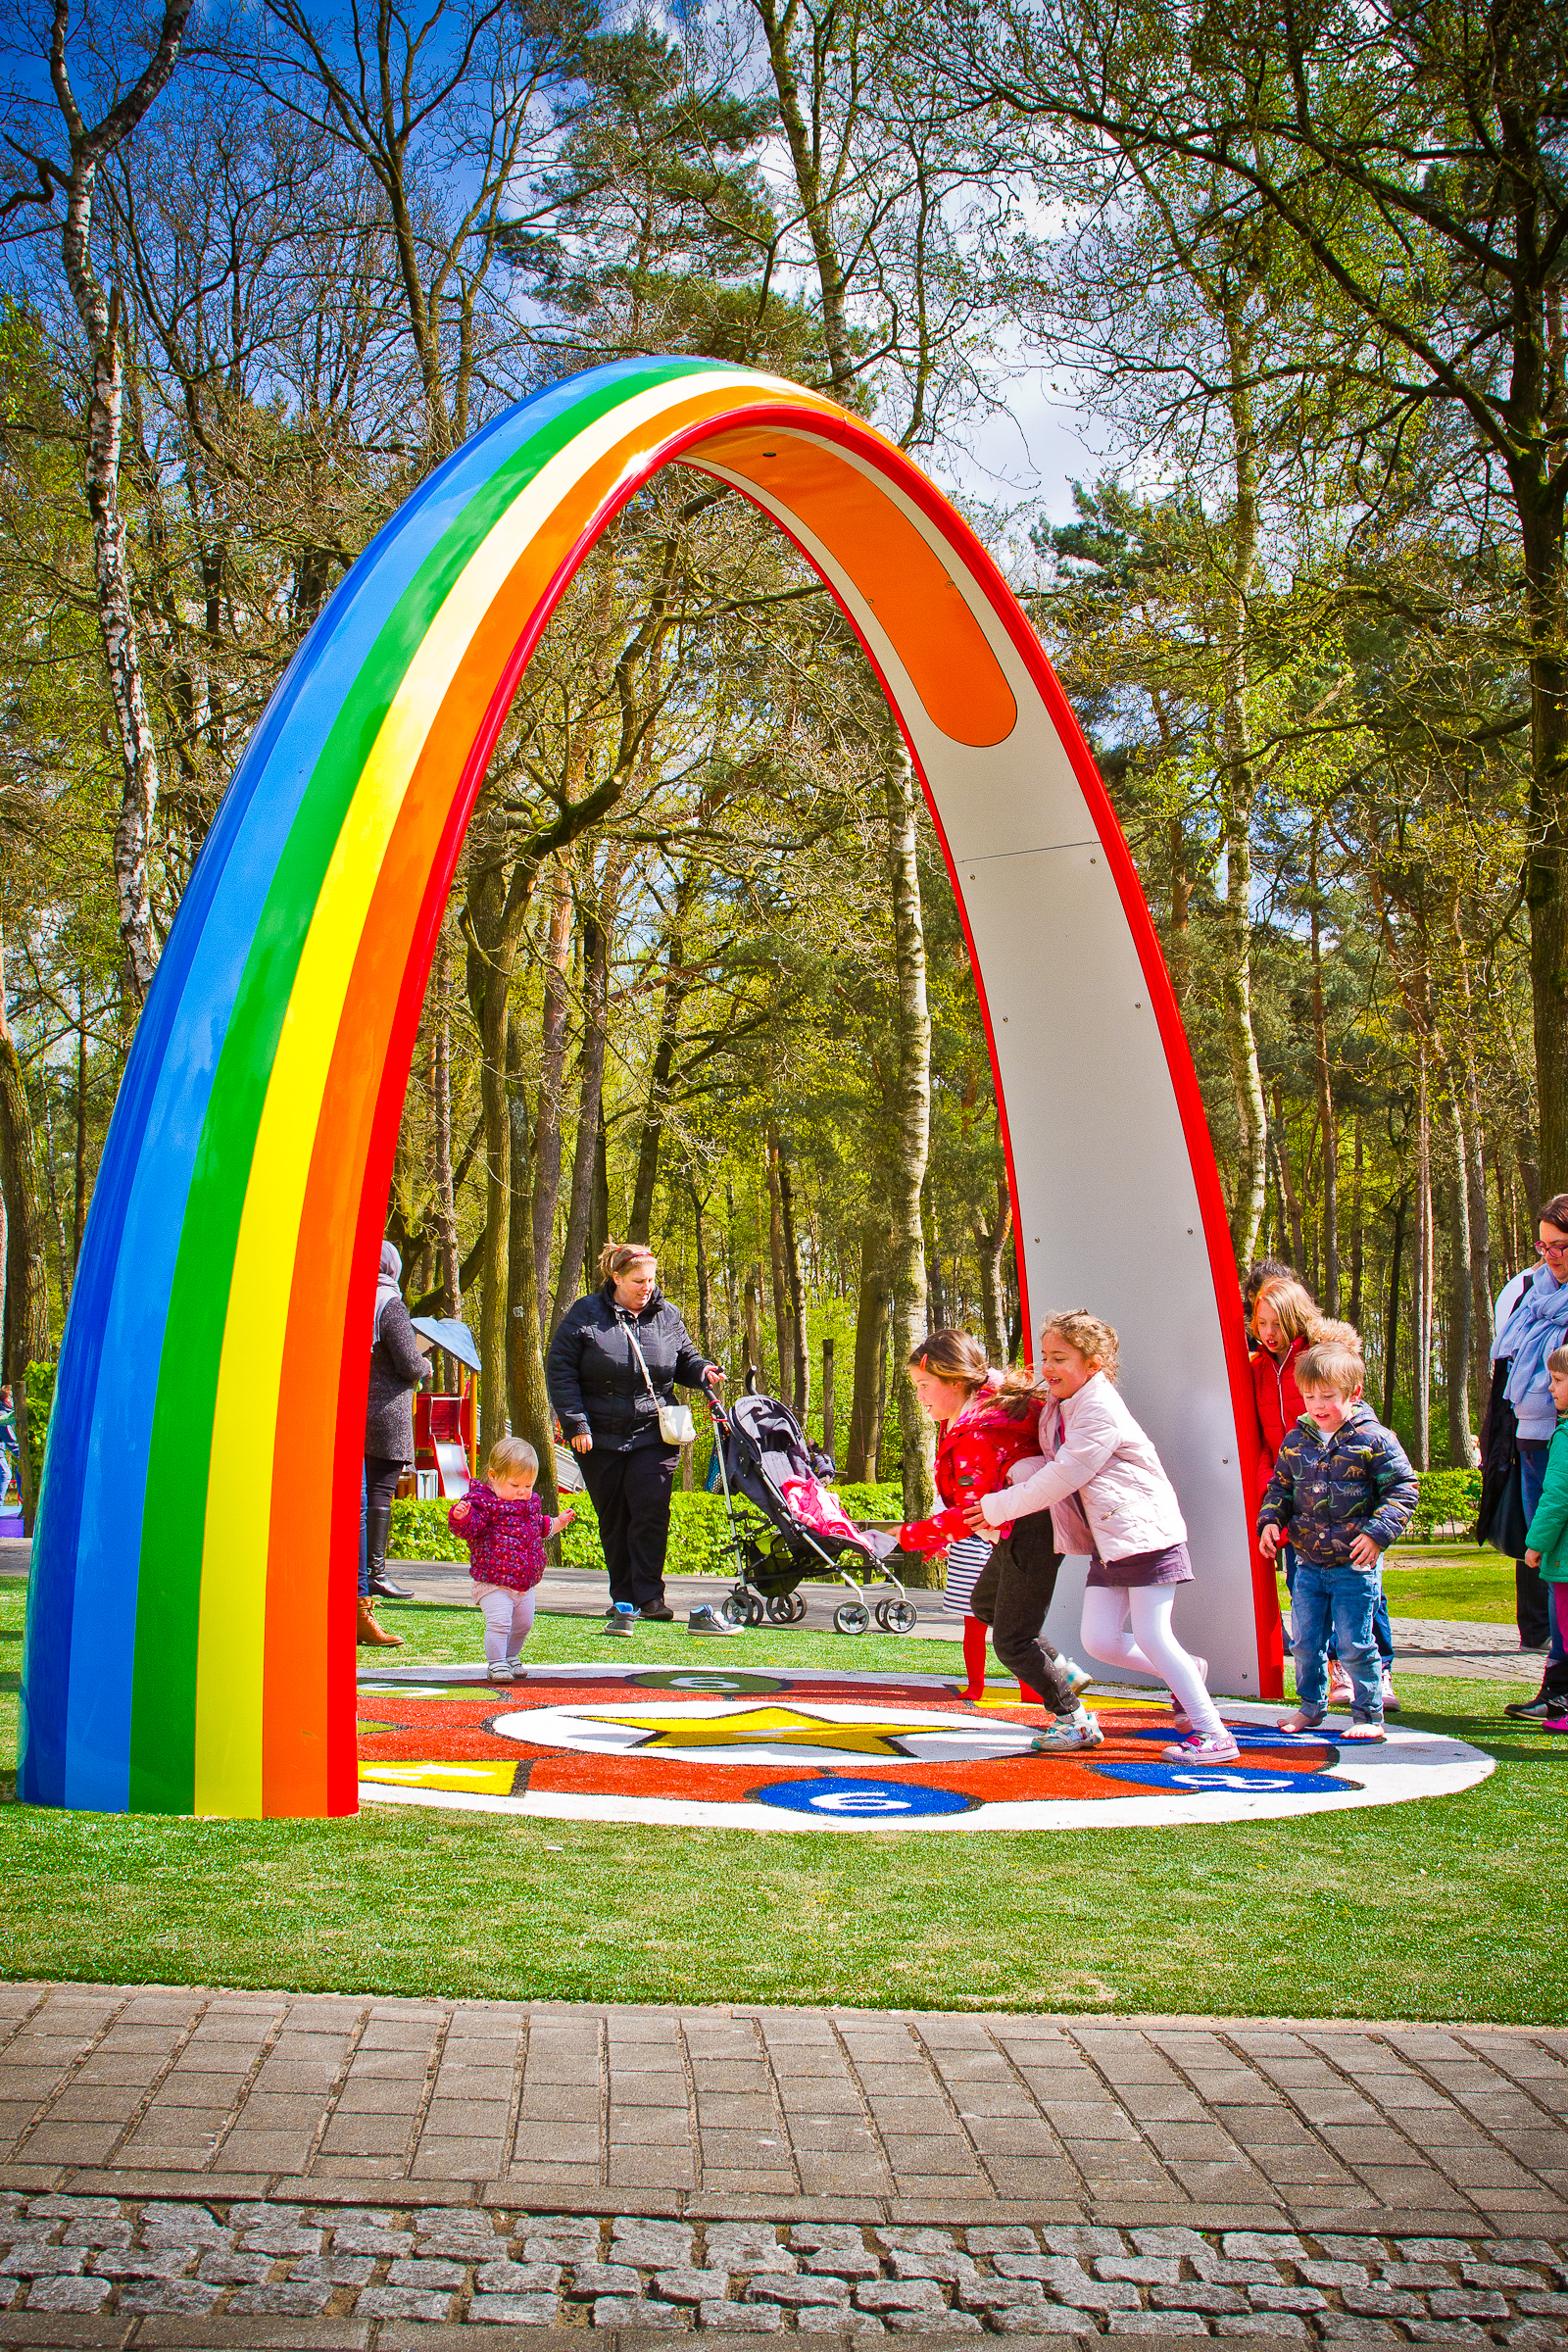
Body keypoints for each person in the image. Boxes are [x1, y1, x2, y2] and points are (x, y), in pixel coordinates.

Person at [971, 1309, 1233, 1762]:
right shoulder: (1061, 1397)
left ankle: (1214, 1733)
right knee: (1100, 1642)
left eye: (1060, 1358)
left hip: (1144, 1533)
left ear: (1093, 1365)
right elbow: (1008, 1384)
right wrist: (967, 1374)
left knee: (1152, 1634)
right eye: (1044, 1356)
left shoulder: (1099, 1408)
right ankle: (1188, 1672)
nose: (1047, 1368)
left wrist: (996, 1507)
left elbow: (1064, 1475)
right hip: (1110, 1539)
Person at [891, 1330, 1090, 1722]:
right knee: (983, 1603)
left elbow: (972, 1509)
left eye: (924, 1385)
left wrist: (912, 1536)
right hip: (1019, 1527)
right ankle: (1063, 1671)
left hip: (1032, 1530)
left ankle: (1074, 1718)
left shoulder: (982, 1429)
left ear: (956, 1380)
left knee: (1013, 1641)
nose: (920, 1396)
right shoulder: (979, 1411)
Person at [547, 1240, 722, 1625]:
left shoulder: (667, 1314)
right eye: (639, 1280)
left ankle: (651, 1598)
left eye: (651, 1280)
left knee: (651, 1512)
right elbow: (560, 1369)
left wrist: (702, 1370)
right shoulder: (586, 1314)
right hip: (598, 1435)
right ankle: (622, 1598)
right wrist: (576, 1423)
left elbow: (685, 1360)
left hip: (652, 1432)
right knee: (615, 1518)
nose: (647, 1287)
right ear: (616, 1278)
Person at [1258, 1336, 1418, 1741]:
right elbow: (1280, 1489)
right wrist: (1270, 1522)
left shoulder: (1374, 1440)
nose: (1317, 1405)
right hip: (1309, 1564)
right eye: (1309, 1395)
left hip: (1355, 1566)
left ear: (1354, 1393)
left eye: (1327, 1396)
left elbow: (1403, 1489)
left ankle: (1368, 1715)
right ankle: (1310, 1708)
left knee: (1354, 1645)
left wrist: (1377, 1535)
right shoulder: (1296, 1441)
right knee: (1307, 1645)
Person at [1495, 1196, 1568, 1721]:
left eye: (1562, 1247)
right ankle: (1557, 1681)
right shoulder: (1532, 1291)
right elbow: (1507, 1364)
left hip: (1561, 1435)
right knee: (1551, 1570)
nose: (1551, 1257)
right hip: (1532, 1432)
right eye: (1544, 1245)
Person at [450, 1436, 576, 1683]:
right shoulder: (484, 1503)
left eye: (528, 1486)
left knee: (523, 1624)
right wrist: (461, 1518)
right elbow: (470, 1529)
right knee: (499, 1622)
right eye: (515, 1485)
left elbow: (540, 1526)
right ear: (493, 1476)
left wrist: (558, 1522)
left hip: (524, 1582)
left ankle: (511, 1656)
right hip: (492, 1581)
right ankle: (496, 1663)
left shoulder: (530, 1505)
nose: (522, 1492)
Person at [364, 1239, 433, 1648]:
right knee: (382, 1494)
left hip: (355, 1408)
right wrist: (425, 1362)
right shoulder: (389, 1304)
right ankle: (377, 1571)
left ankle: (364, 1570)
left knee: (360, 1496)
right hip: (385, 1413)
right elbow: (408, 1362)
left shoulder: (355, 1299)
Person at [1522, 1348, 1568, 1734]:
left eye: (1557, 1380)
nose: (1549, 1388)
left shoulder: (1565, 1437)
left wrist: (1536, 1544)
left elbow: (1556, 1497)